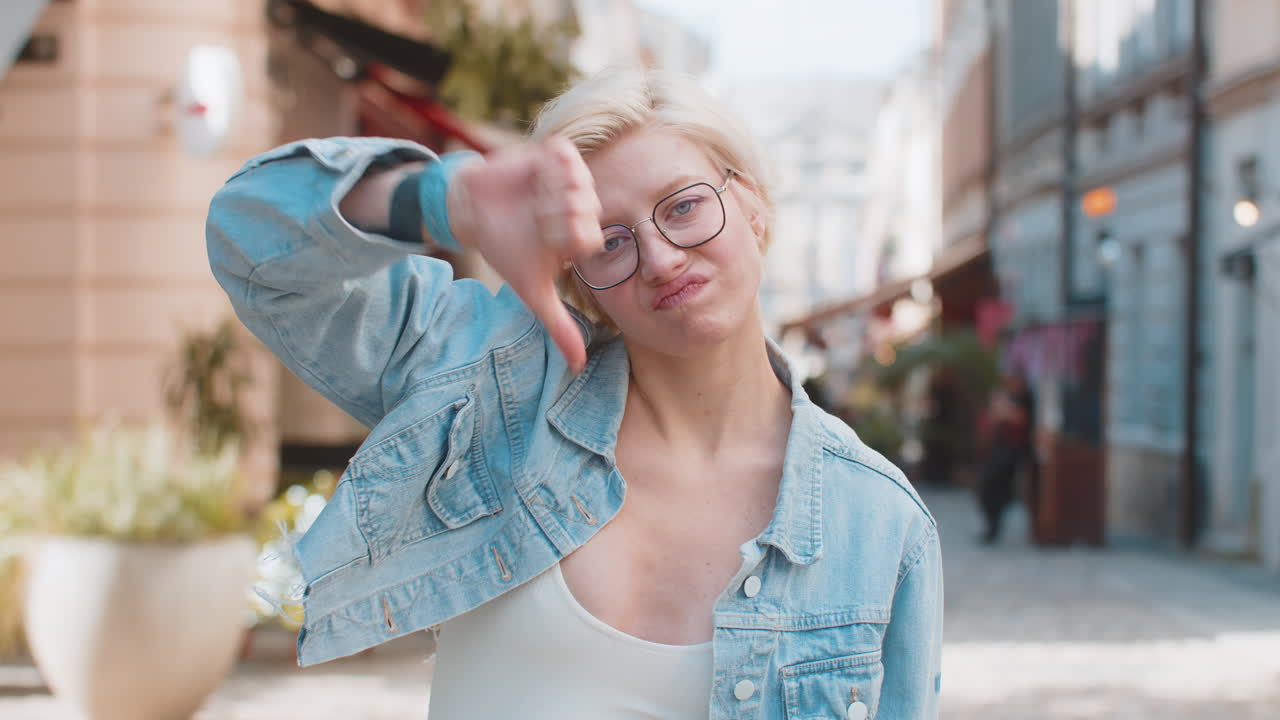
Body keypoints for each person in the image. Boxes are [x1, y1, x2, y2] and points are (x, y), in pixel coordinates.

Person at [207, 68, 942, 719]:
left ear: (751, 205)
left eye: (683, 206)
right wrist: (444, 199)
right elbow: (249, 236)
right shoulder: (491, 395)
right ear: (578, 282)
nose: (660, 259)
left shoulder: (878, 522)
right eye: (609, 241)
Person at [976, 372, 1035, 544]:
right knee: (988, 489)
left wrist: (1004, 410)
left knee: (1000, 490)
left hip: (1013, 452)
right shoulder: (1008, 397)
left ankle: (994, 527)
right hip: (1000, 450)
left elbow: (1017, 418)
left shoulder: (1025, 400)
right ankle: (991, 526)